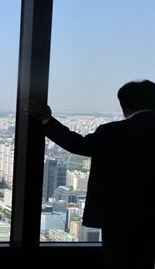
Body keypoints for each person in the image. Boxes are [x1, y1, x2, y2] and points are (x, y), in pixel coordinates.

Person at [26, 79, 155, 269]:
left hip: (119, 215)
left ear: (124, 107)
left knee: (120, 260)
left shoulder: (113, 132)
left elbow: (77, 144)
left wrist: (46, 120)